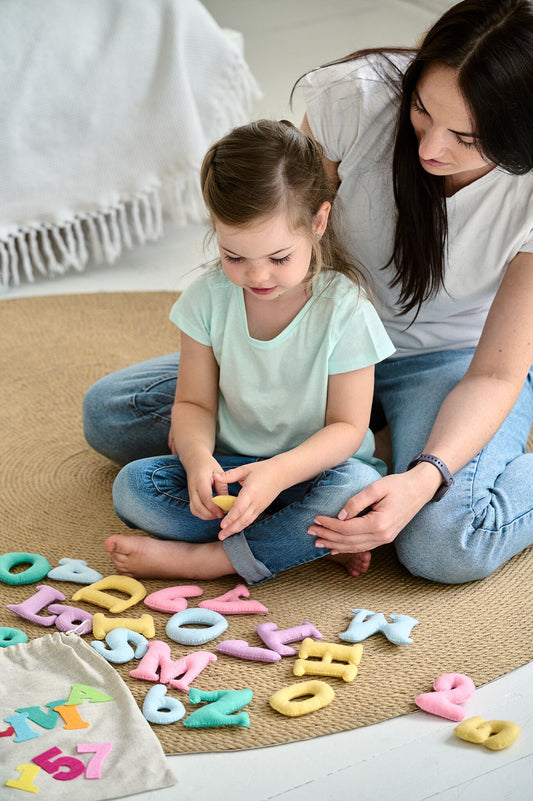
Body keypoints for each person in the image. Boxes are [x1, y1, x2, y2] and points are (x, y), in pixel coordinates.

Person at [84, 0, 533, 585]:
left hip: (445, 364)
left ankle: (383, 452)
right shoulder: (359, 100)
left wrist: (425, 476)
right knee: (112, 415)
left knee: (443, 542)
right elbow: (278, 218)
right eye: (422, 112)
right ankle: (361, 453)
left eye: (465, 139)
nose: (430, 149)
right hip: (314, 345)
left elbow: (496, 372)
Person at [104, 119, 395, 583]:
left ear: (318, 222)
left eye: (279, 258)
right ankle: (296, 542)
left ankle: (212, 561)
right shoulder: (206, 299)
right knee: (133, 488)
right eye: (234, 256)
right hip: (233, 470)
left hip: (316, 472)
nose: (257, 276)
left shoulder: (345, 310)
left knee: (359, 488)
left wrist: (278, 474)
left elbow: (347, 428)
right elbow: (194, 403)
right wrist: (199, 460)